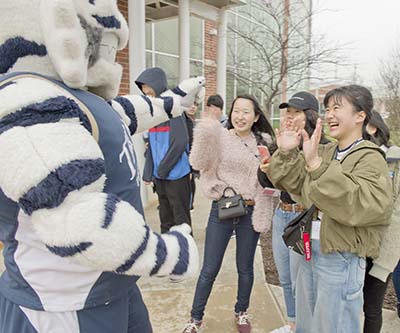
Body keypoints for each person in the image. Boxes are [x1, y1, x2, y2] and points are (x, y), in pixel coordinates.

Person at [0, 2, 204, 332]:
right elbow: (79, 222)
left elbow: (115, 116)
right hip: (64, 305)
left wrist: (173, 102)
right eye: (106, 43)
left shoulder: (64, 95)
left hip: (110, 286)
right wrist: (170, 254)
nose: (111, 57)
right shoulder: (28, 102)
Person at [266, 85, 392, 333]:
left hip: (341, 258)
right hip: (310, 251)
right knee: (306, 325)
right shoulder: (325, 151)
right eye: (327, 109)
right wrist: (287, 152)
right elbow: (296, 185)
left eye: (337, 108)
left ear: (360, 115)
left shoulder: (370, 157)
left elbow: (365, 206)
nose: (330, 115)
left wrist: (316, 166)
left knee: (335, 327)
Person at [182, 95, 277, 333]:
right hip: (223, 206)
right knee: (210, 268)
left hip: (251, 208)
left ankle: (241, 312)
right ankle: (195, 318)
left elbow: (270, 181)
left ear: (256, 117)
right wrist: (204, 131)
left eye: (246, 112)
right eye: (236, 111)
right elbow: (197, 164)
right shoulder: (219, 137)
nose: (240, 116)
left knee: (245, 268)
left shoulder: (264, 142)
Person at [258, 92, 329, 333]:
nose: (289, 118)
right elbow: (267, 182)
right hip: (282, 214)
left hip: (306, 218)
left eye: (295, 113)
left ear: (310, 116)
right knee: (286, 277)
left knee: (306, 281)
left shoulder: (323, 146)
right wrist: (266, 165)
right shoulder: (280, 141)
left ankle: (309, 326)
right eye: (287, 113)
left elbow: (315, 184)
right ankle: (293, 323)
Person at [138, 68, 193, 234]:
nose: (148, 95)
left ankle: (185, 256)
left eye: (150, 91)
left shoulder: (173, 110)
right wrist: (149, 172)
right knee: (165, 220)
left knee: (181, 220)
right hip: (160, 177)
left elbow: (180, 142)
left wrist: (162, 169)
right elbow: (151, 148)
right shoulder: (152, 114)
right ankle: (168, 255)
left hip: (177, 175)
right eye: (145, 93)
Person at [362, 110, 400, 333]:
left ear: (372, 127)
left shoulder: (394, 161)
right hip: (353, 248)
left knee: (372, 308)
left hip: (380, 251)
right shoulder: (353, 158)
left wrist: (384, 262)